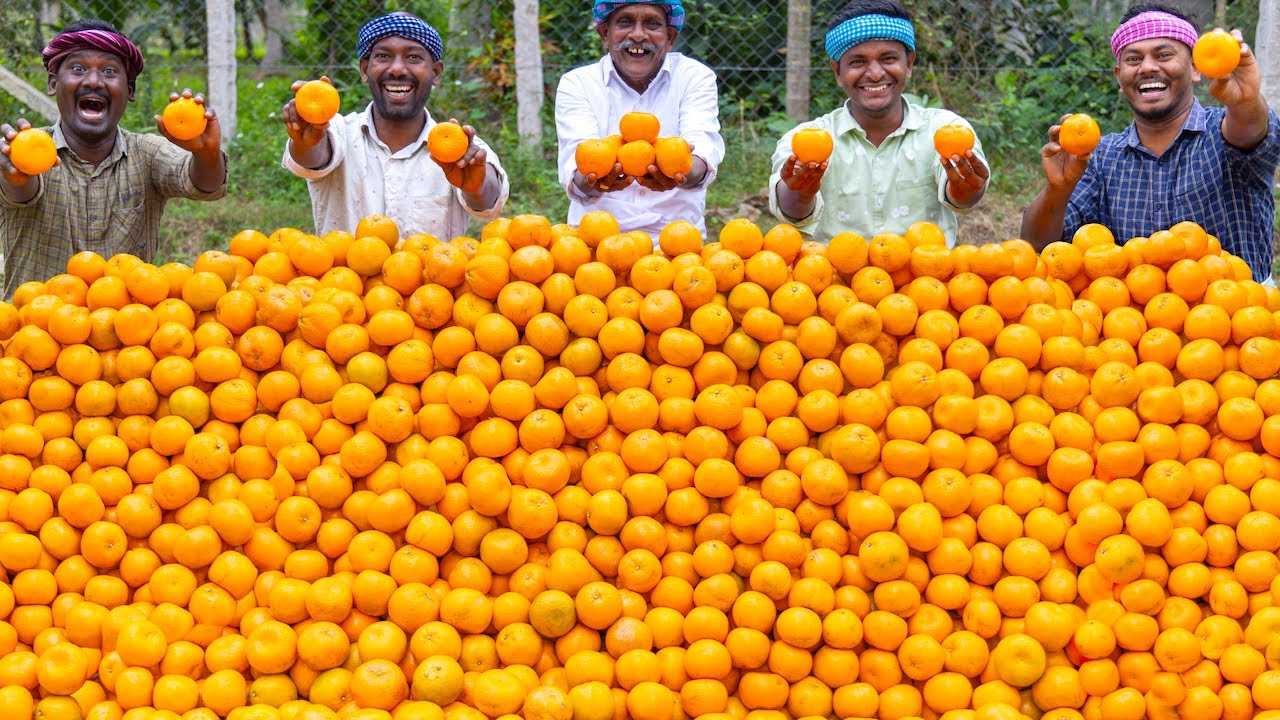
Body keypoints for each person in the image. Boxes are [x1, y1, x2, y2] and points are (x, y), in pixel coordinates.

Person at [1020, 4, 1279, 281]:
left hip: (1242, 315)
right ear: (1120, 78)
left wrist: (1246, 102)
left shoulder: (1223, 133)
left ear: (1195, 67)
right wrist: (1058, 189)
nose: (1147, 67)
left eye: (1164, 54)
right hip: (1132, 320)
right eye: (1133, 59)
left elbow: (1248, 131)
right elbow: (1037, 245)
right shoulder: (1100, 158)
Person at [0, 18, 227, 299]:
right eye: (78, 68)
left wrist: (206, 153)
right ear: (53, 83)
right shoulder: (20, 155)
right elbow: (20, 189)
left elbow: (205, 185)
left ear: (129, 90)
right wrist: (15, 175)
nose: (94, 81)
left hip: (127, 333)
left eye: (109, 71)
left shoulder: (146, 153)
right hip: (31, 332)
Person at [769, 0, 989, 246]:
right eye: (857, 62)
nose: (875, 74)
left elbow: (964, 198)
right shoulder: (803, 141)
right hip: (830, 279)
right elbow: (791, 212)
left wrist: (966, 188)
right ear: (837, 72)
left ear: (909, 64)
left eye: (888, 58)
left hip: (925, 278)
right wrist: (800, 193)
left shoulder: (943, 130)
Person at [282, 12, 509, 240]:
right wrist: (306, 140)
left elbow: (487, 198)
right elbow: (314, 155)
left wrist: (475, 185)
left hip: (434, 276)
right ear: (364, 69)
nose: (398, 69)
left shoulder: (461, 151)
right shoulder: (336, 131)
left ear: (436, 73)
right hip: (341, 276)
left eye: (413, 58)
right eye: (383, 56)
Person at [555, 0, 725, 238]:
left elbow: (702, 150)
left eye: (652, 24)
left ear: (670, 37)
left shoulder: (694, 77)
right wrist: (594, 178)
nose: (637, 35)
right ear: (605, 34)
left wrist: (680, 171)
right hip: (596, 244)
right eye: (625, 22)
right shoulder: (578, 84)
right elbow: (578, 166)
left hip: (677, 243)